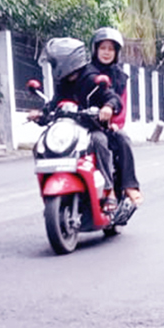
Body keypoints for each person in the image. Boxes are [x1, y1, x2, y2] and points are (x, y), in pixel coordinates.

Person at [30, 37, 117, 203]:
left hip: (91, 128)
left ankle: (108, 190)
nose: (54, 67)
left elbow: (111, 96)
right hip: (68, 129)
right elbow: (54, 105)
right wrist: (40, 115)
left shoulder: (92, 77)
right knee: (40, 145)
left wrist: (108, 107)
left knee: (100, 141)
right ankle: (49, 186)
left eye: (55, 62)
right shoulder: (63, 82)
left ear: (67, 60)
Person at [86, 27, 142, 206]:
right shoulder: (85, 73)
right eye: (103, 48)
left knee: (123, 138)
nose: (106, 52)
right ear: (95, 49)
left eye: (111, 49)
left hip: (109, 126)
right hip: (86, 125)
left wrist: (115, 123)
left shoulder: (120, 77)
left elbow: (122, 103)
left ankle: (127, 186)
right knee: (97, 139)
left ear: (116, 52)